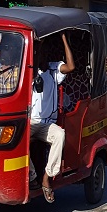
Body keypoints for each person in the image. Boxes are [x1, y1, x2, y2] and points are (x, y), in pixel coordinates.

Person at [27, 33, 75, 203]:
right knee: (18, 139)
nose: (43, 58)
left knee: (60, 135)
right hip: (31, 122)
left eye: (45, 54)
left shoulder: (55, 69)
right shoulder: (32, 72)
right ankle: (33, 175)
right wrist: (38, 49)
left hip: (47, 124)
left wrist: (64, 39)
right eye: (40, 54)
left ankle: (47, 177)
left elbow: (71, 66)